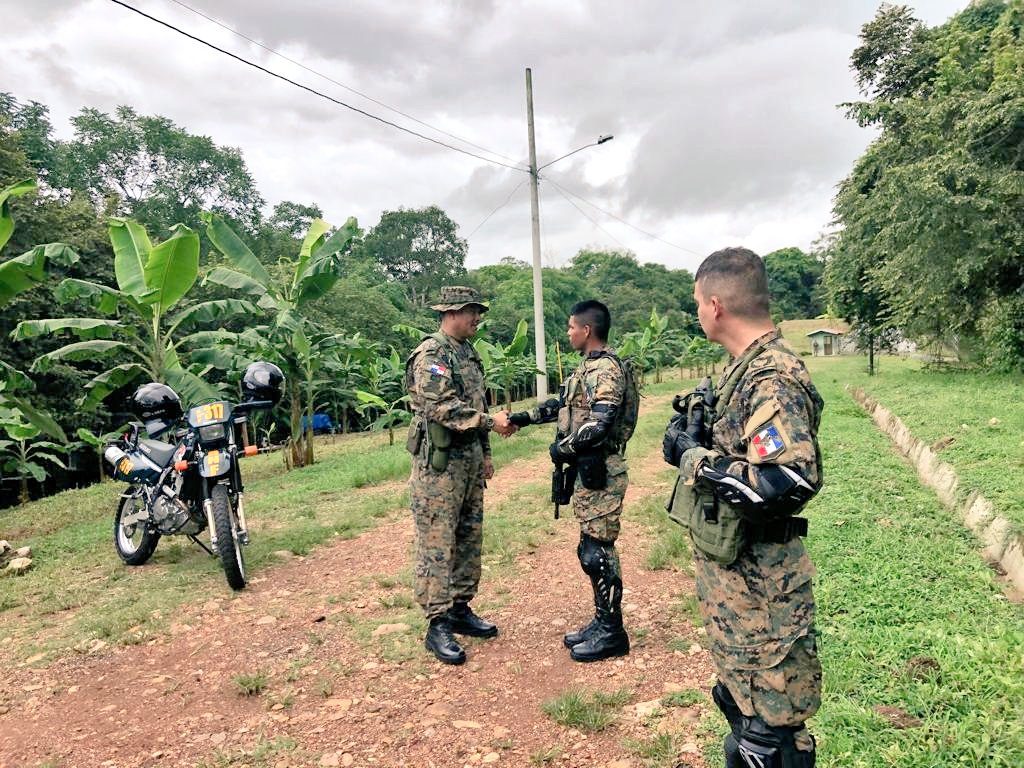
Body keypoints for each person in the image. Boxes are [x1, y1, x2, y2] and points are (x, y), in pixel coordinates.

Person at [662, 247, 824, 767]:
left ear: (716, 305)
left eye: (697, 304)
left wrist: (695, 459)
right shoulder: (744, 370)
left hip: (765, 596)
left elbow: (785, 481)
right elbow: (751, 454)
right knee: (741, 712)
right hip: (740, 591)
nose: (697, 314)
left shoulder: (771, 378)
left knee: (767, 740)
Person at [509, 300, 632, 662]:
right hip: (588, 471)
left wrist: (563, 448)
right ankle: (602, 620)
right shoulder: (586, 368)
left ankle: (612, 632)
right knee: (588, 549)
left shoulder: (605, 370)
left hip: (602, 470)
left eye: (570, 327)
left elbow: (601, 422)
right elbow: (560, 404)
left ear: (587, 330)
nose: (568, 333)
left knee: (598, 551)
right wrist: (522, 418)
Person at [404, 286, 516, 665]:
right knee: (438, 545)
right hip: (440, 466)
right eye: (472, 312)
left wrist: (485, 452)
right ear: (451, 312)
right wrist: (490, 423)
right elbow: (443, 408)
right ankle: (436, 623)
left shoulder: (467, 352)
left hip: (468, 464)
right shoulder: (431, 354)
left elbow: (476, 401)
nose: (477, 319)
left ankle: (460, 607)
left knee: (469, 537)